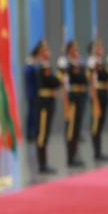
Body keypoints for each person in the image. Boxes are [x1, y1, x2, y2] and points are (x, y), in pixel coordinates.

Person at [32, 40, 59, 174]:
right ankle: (42, 164)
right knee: (42, 133)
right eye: (45, 50)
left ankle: (44, 163)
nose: (48, 52)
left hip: (49, 101)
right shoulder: (41, 67)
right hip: (43, 103)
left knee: (45, 133)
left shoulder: (46, 66)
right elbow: (52, 82)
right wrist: (59, 77)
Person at [61, 40, 87, 168]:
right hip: (72, 98)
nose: (76, 51)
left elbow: (85, 79)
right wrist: (66, 101)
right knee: (71, 129)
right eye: (73, 49)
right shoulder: (66, 65)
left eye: (77, 48)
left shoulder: (79, 65)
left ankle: (75, 155)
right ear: (69, 50)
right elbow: (65, 84)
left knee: (77, 128)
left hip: (80, 97)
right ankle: (70, 157)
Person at [88, 40, 108, 162]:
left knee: (100, 124)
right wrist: (95, 100)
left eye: (100, 48)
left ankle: (99, 151)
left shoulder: (101, 64)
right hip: (97, 94)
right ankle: (96, 153)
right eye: (97, 48)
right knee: (96, 125)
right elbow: (92, 83)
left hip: (104, 93)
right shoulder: (92, 64)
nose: (100, 50)